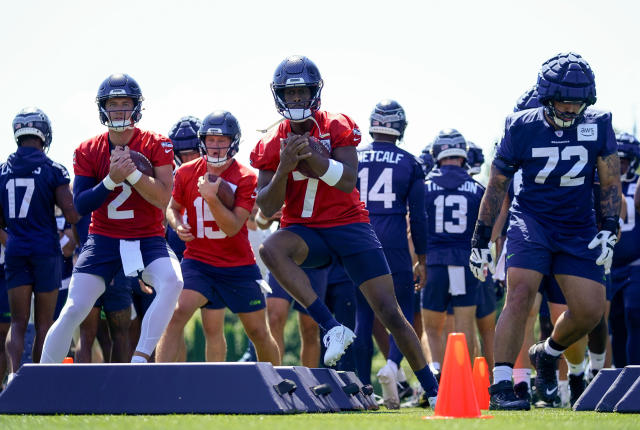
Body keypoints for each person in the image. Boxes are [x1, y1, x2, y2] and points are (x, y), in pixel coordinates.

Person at [250, 55, 438, 407]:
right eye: (289, 94)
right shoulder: (270, 143)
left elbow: (348, 179)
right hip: (305, 230)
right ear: (278, 96)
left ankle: (433, 388)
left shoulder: (337, 125)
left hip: (349, 225)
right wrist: (285, 167)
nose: (296, 100)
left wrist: (316, 160)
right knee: (271, 249)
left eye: (302, 92)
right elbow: (265, 206)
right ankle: (331, 326)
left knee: (390, 310)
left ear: (314, 93)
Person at [470, 52, 621, 410]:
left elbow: (610, 179)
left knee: (589, 310)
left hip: (577, 224)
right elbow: (497, 185)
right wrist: (480, 238)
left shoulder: (599, 123)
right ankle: (503, 386)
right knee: (519, 292)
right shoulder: (520, 125)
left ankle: (548, 352)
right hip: (532, 220)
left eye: (577, 103)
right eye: (564, 102)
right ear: (546, 97)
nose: (571, 109)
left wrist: (610, 227)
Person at [41, 73, 183, 364]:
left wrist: (131, 174)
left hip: (147, 238)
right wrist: (110, 180)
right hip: (104, 239)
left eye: (125, 103)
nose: (119, 110)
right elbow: (80, 204)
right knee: (74, 308)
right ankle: (42, 377)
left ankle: (141, 359)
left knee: (173, 281)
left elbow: (163, 197)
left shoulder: (157, 143)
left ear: (137, 107)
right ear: (103, 108)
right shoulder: (88, 149)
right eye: (113, 103)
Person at [156, 111, 280, 365]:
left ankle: (278, 384)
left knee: (258, 332)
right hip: (198, 261)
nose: (215, 146)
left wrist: (212, 198)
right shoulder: (186, 172)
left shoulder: (246, 177)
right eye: (210, 140)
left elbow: (234, 226)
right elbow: (172, 207)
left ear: (233, 141)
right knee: (175, 314)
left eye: (221, 140)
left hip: (238, 265)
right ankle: (162, 387)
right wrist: (178, 225)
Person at [354, 99, 427, 409]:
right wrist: (422, 258)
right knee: (402, 312)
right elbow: (419, 217)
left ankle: (362, 389)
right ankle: (393, 366)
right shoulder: (410, 163)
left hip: (358, 240)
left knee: (363, 316)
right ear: (400, 127)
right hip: (394, 242)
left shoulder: (353, 158)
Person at [1, 108, 79, 380]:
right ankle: (38, 382)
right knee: (45, 322)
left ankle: (14, 377)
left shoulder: (2, 171)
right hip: (46, 251)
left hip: (16, 251)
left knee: (19, 322)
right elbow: (71, 213)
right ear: (43, 134)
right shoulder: (52, 169)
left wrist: (13, 242)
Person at [421, 129, 484, 379]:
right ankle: (465, 380)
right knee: (465, 324)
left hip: (435, 261)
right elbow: (496, 214)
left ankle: (436, 376)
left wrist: (418, 261)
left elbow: (414, 225)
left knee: (432, 328)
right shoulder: (476, 187)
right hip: (465, 261)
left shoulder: (425, 186)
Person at [609, 132, 640, 366]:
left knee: (634, 314)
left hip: (635, 266)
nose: (620, 166)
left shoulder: (636, 186)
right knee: (614, 323)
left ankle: (635, 374)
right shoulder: (602, 186)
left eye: (625, 161)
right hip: (610, 266)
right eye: (616, 160)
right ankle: (619, 377)